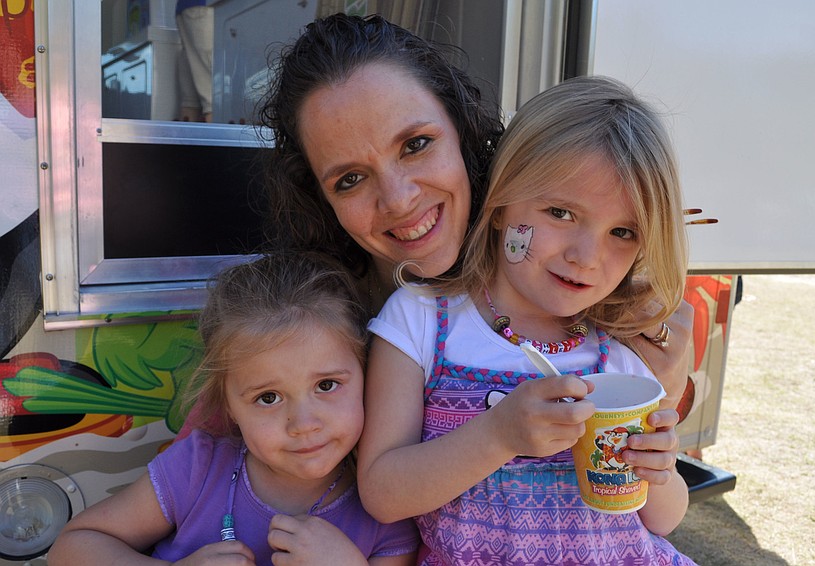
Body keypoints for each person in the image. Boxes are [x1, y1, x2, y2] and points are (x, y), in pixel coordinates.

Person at [255, 13, 693, 410]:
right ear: (319, 199)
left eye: (415, 145)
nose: (399, 199)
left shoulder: (570, 280)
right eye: (349, 179)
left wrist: (669, 391)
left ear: (463, 130)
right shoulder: (299, 316)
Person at [356, 76, 695, 565]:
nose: (586, 256)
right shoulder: (423, 322)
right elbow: (383, 493)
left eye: (622, 232)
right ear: (500, 205)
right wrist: (498, 435)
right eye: (560, 212)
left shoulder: (620, 350)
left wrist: (658, 469)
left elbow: (664, 520)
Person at [49, 253, 419, 565]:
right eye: (268, 397)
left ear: (369, 377)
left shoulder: (384, 508)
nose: (303, 424)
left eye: (326, 386)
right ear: (228, 404)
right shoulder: (199, 468)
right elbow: (74, 546)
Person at [175, 0, 213, 122]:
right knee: (213, 98)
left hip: (188, 8)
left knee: (190, 100)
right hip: (204, 8)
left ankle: (183, 139)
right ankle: (219, 140)